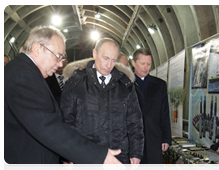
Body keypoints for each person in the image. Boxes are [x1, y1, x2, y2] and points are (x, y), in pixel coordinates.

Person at [4, 25, 126, 170]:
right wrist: (97, 156)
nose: (60, 63)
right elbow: (47, 126)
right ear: (36, 48)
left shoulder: (25, 73)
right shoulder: (22, 77)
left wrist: (65, 155)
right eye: (57, 56)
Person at [60, 38, 144, 170]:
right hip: (84, 158)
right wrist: (66, 155)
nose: (109, 65)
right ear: (95, 54)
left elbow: (134, 121)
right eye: (105, 58)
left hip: (118, 158)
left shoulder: (125, 85)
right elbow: (66, 121)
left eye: (113, 60)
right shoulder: (75, 83)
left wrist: (136, 152)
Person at [131, 48, 171, 170]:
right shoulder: (126, 85)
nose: (146, 67)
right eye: (142, 63)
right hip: (133, 144)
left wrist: (166, 138)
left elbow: (164, 113)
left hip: (154, 141)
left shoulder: (160, 85)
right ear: (133, 63)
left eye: (149, 64)